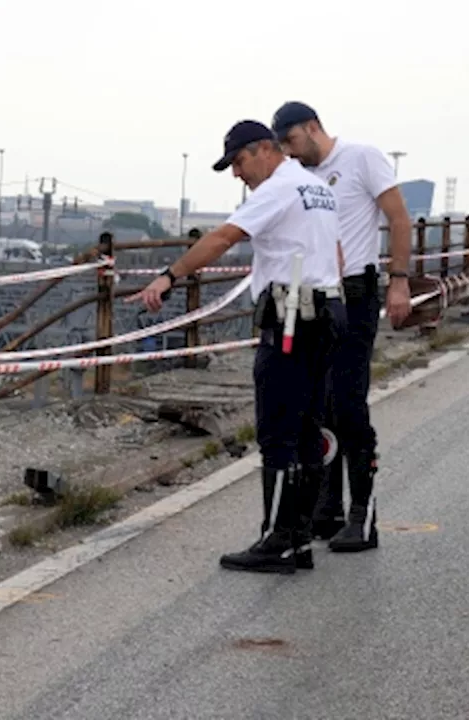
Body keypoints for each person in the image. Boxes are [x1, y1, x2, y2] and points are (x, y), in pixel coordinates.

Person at [130, 120, 346, 574]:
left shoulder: (278, 187)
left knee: (278, 430)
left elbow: (224, 237)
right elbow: (336, 252)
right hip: (324, 313)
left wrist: (170, 276)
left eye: (239, 162)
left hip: (292, 317)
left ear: (265, 149)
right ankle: (299, 538)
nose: (237, 174)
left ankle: (280, 540)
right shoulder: (315, 187)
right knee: (307, 427)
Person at [273, 101, 412, 553]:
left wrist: (399, 282)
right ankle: (327, 508)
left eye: (292, 142)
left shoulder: (361, 157)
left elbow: (398, 218)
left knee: (349, 404)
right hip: (319, 294)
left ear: (312, 128)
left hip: (357, 291)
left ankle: (363, 514)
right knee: (320, 403)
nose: (291, 154)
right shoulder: (299, 176)